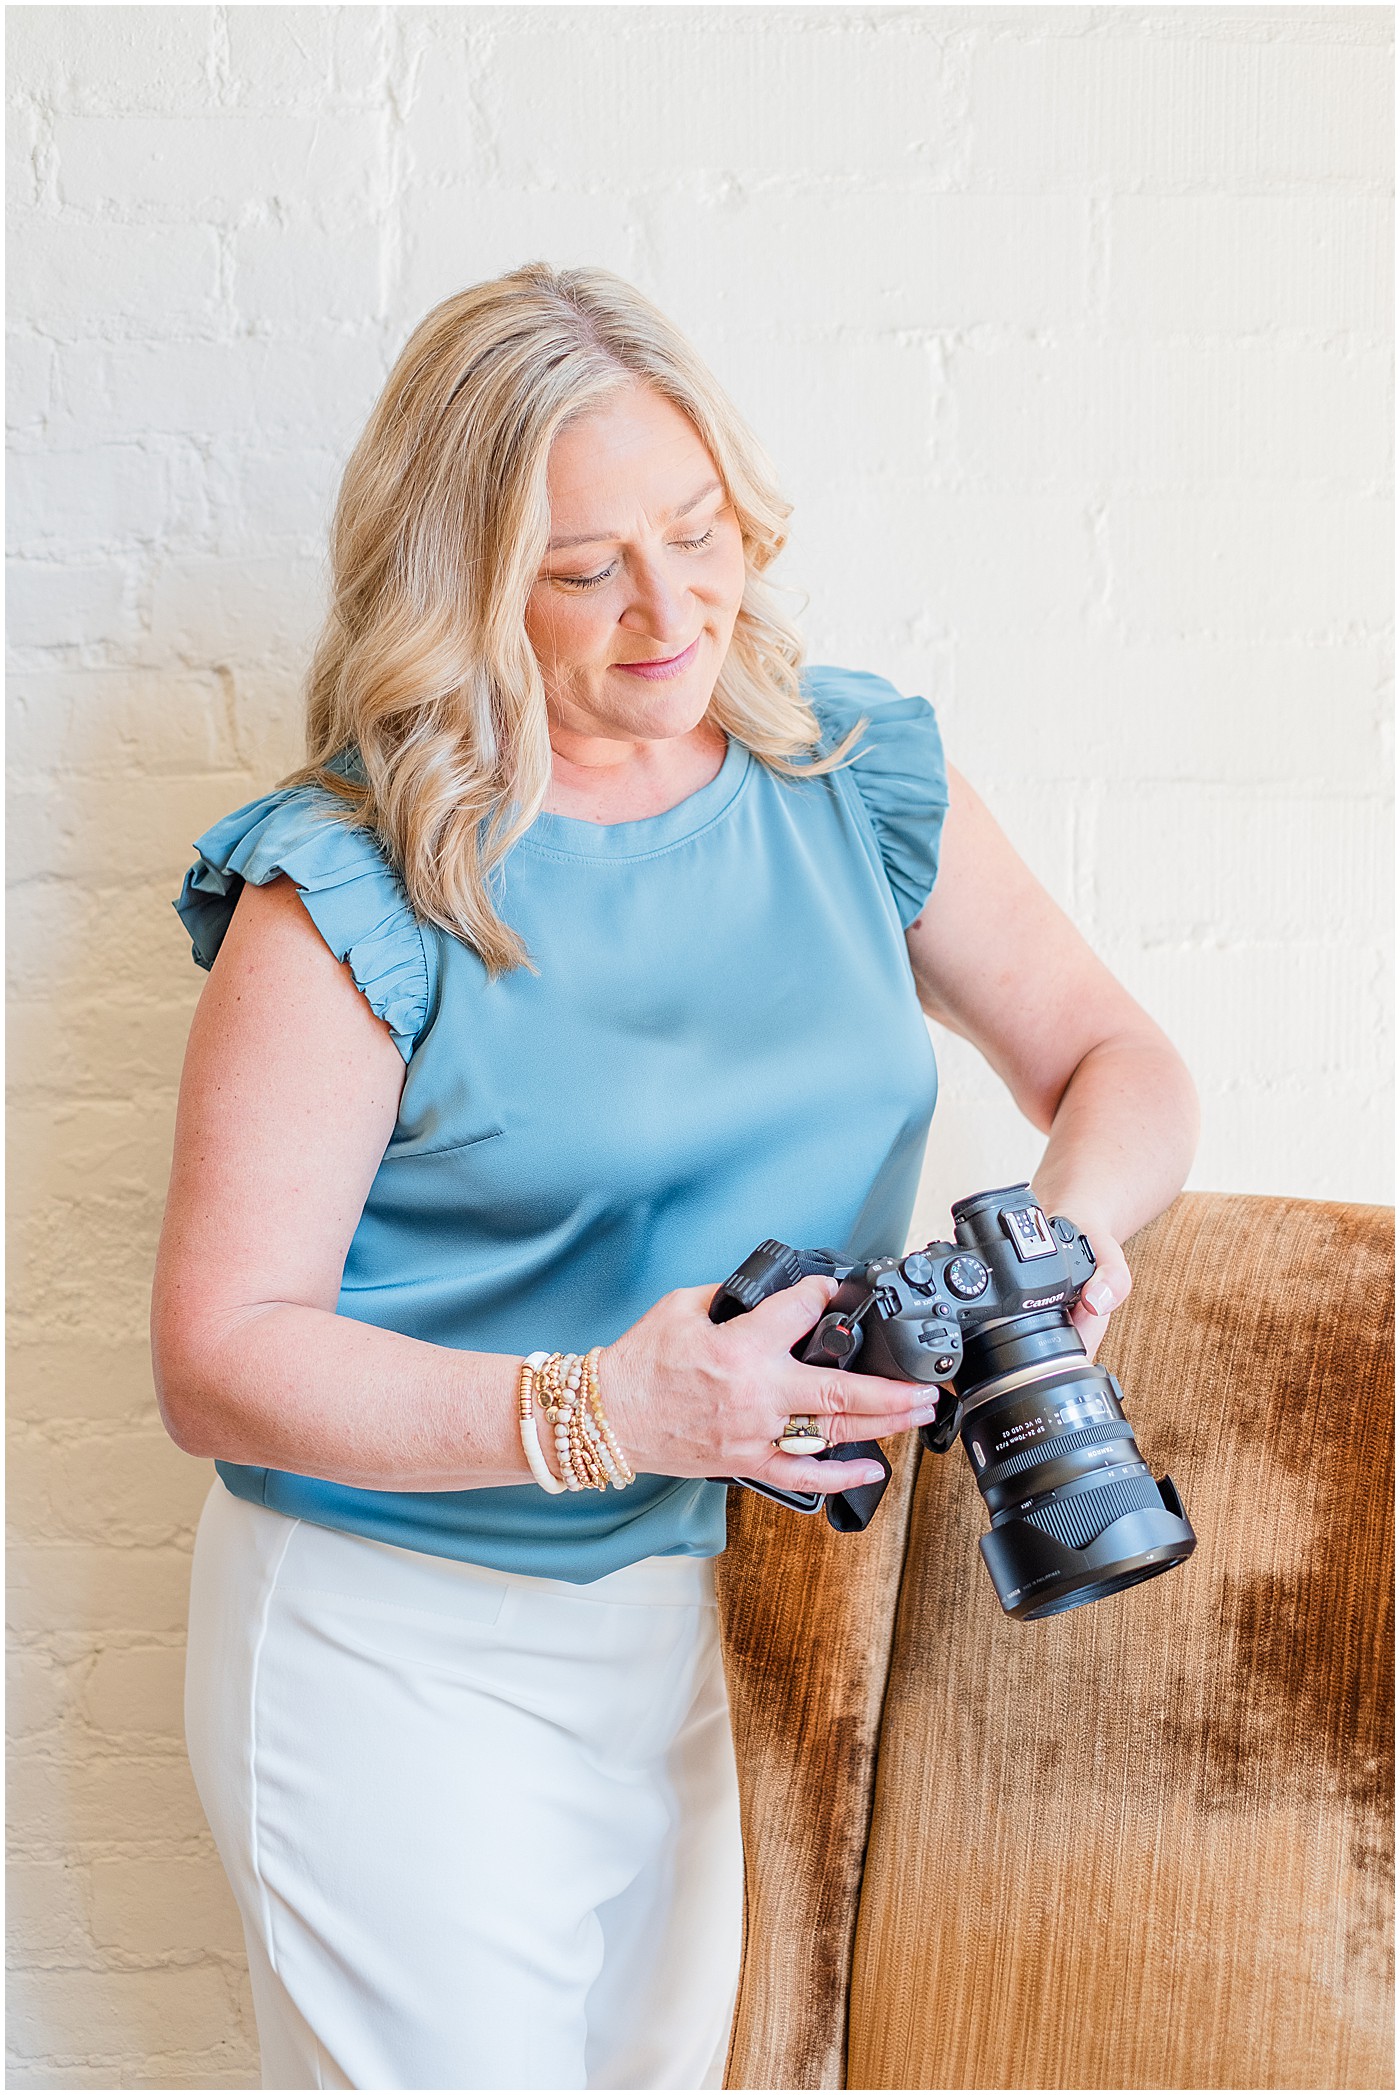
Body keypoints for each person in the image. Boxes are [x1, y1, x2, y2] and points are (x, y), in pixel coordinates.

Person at [152, 262, 1198, 2092]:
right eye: (582, 572)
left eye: (700, 532)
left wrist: (1071, 1238)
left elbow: (1124, 1063)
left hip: (703, 1621)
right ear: (462, 587)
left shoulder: (842, 771)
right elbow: (217, 1353)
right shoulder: (357, 879)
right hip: (401, 1648)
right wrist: (604, 1407)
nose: (671, 610)